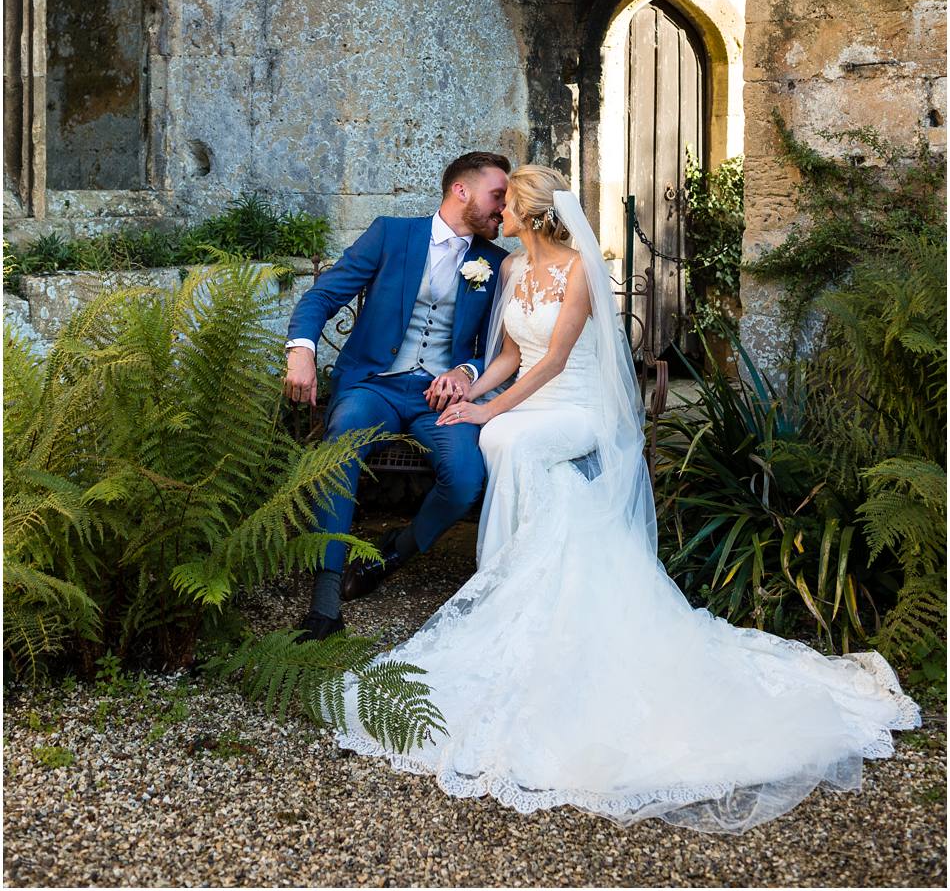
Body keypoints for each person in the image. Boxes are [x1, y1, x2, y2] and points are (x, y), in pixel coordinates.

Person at [334, 164, 921, 833]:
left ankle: (514, 578)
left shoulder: (581, 269)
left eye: (509, 208)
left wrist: (492, 414)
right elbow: (507, 354)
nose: (500, 217)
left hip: (575, 408)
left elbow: (552, 361)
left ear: (529, 214)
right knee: (507, 445)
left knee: (512, 444)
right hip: (526, 401)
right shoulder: (506, 272)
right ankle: (523, 581)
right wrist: (475, 394)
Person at [283, 151, 510, 641]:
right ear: (461, 191)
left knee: (467, 478)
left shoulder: (497, 263)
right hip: (375, 385)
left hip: (441, 400)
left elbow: (497, 348)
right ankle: (325, 598)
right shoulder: (391, 234)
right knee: (343, 438)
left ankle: (394, 552)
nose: (503, 208)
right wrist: (301, 350)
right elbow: (323, 296)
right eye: (498, 195)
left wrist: (466, 371)